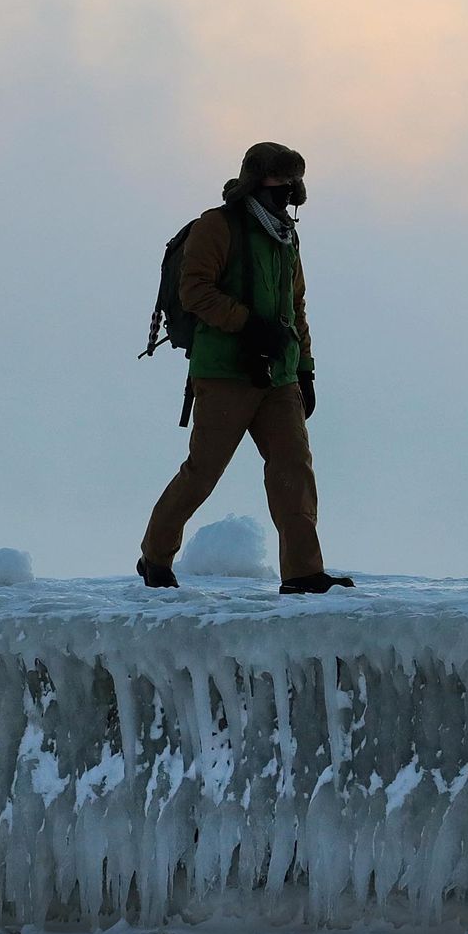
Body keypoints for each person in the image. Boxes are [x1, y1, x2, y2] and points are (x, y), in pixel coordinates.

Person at [138, 142, 355, 595]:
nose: (291, 190)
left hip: (279, 375)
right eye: (283, 181)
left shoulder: (284, 235)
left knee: (294, 470)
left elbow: (295, 307)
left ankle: (302, 573)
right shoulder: (217, 227)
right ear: (257, 181)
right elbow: (194, 291)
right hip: (224, 373)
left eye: (295, 182)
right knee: (203, 472)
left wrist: (306, 369)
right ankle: (155, 557)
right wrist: (250, 326)